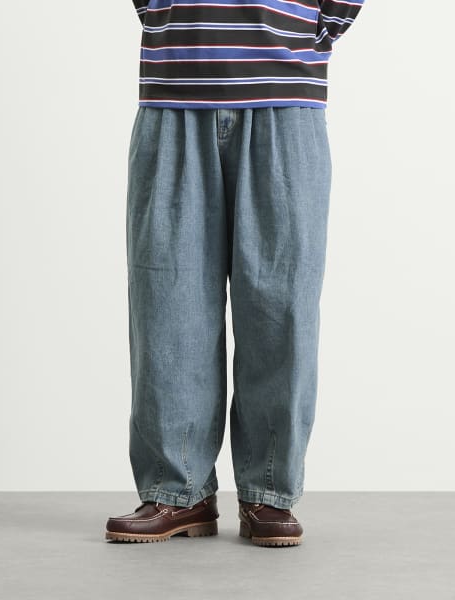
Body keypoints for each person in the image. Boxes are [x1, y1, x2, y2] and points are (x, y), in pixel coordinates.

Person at [105, 0, 366, 547]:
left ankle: (269, 492)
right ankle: (178, 492)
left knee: (281, 304)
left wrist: (315, 28)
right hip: (175, 91)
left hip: (285, 96)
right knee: (167, 301)